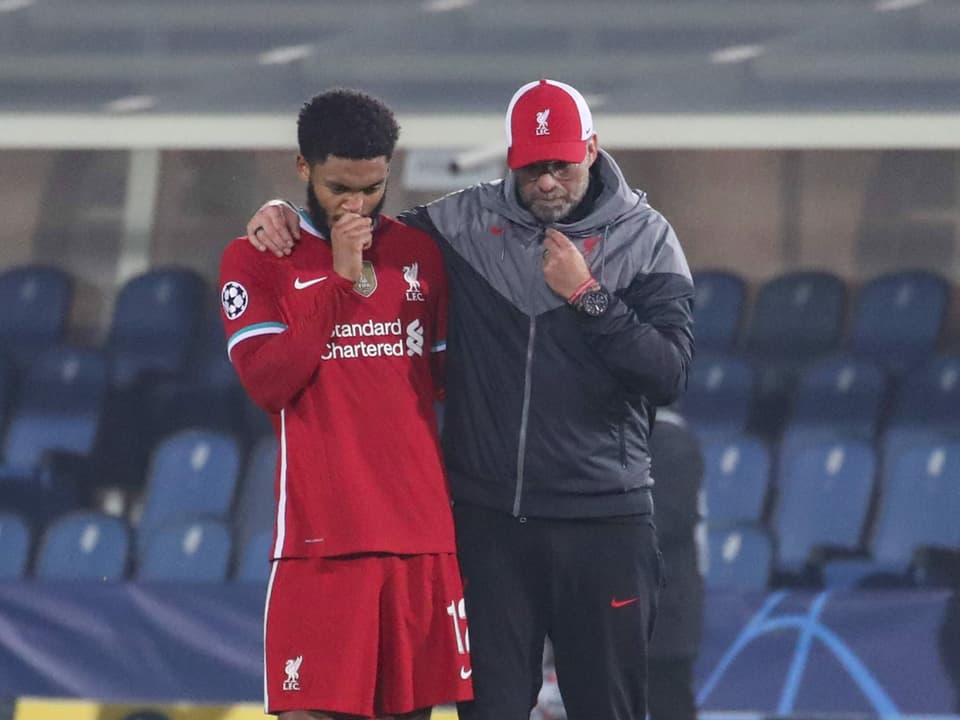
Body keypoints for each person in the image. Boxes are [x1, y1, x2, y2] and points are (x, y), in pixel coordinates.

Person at [247, 78, 695, 720]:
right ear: (509, 158)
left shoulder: (648, 238)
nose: (546, 182)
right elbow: (359, 226)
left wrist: (589, 295)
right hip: (489, 531)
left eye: (561, 165)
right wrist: (283, 209)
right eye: (531, 166)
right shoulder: (459, 224)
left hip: (605, 523)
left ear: (591, 150)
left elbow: (670, 373)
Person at [220, 88, 472, 720]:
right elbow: (268, 383)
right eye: (338, 188)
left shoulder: (420, 255)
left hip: (420, 540)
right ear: (303, 168)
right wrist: (338, 280)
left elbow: (446, 381)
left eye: (372, 187)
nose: (356, 204)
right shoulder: (257, 260)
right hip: (320, 542)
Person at [646, 409, 706, 720]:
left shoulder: (669, 439)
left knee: (667, 701)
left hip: (665, 605)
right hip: (620, 603)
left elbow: (669, 517)